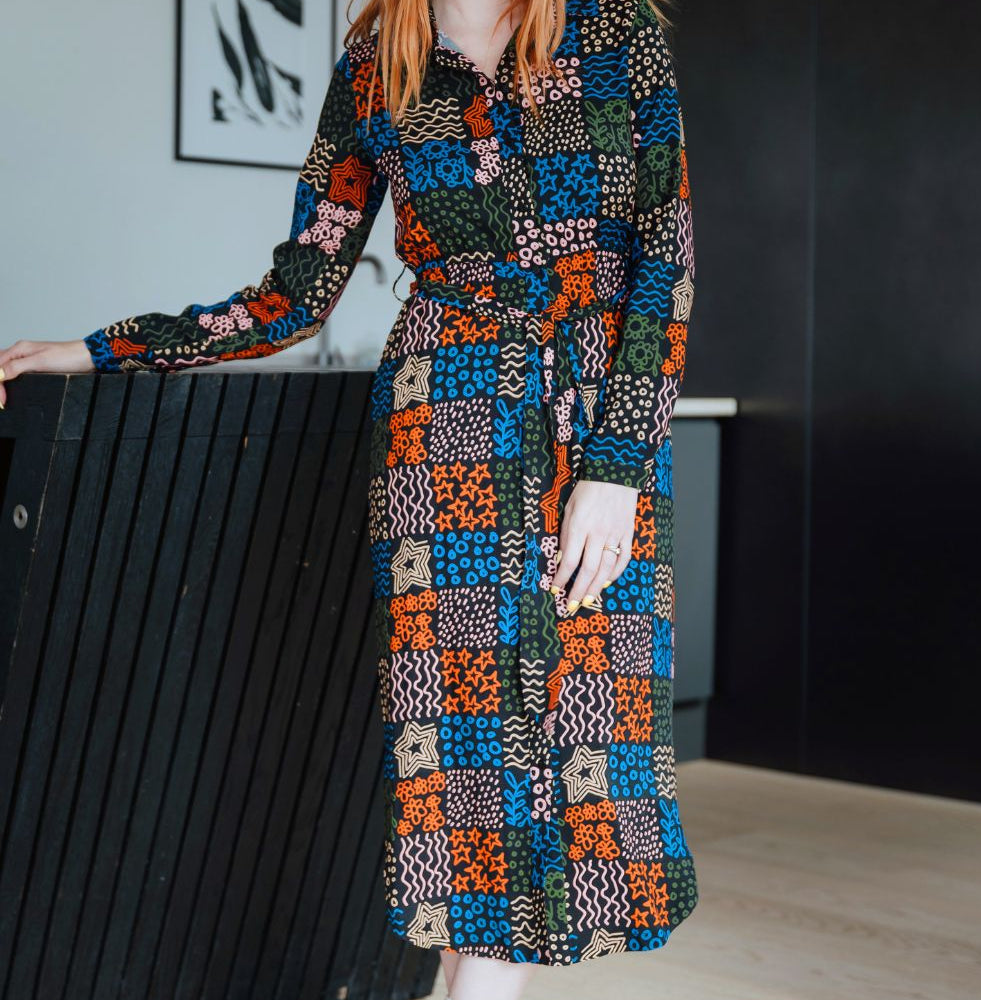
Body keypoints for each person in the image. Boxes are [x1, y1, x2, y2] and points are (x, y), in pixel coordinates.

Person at [0, 0, 698, 997]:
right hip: (446, 435)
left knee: (585, 763)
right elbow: (299, 287)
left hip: (597, 428)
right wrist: (99, 348)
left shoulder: (611, 28)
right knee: (467, 775)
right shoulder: (377, 63)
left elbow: (661, 256)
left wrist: (616, 468)